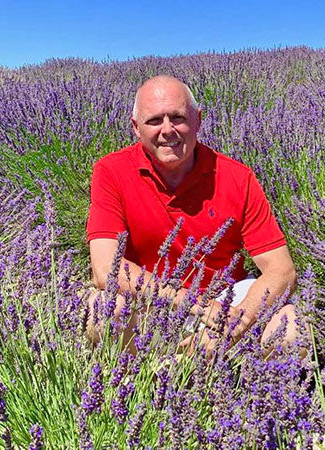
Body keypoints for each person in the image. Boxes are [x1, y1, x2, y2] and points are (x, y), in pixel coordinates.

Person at [85, 75, 302, 356]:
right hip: (153, 302)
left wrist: (236, 320)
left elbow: (282, 270)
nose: (167, 130)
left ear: (198, 120)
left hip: (225, 304)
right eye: (154, 121)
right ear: (136, 128)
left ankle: (247, 390)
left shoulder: (237, 177)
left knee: (292, 328)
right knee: (100, 311)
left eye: (177, 117)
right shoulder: (111, 171)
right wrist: (191, 304)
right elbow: (105, 269)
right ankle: (140, 385)